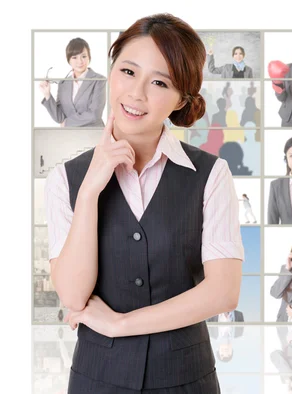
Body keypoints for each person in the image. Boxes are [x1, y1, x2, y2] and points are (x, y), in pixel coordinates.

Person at [44, 13, 244, 392]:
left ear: (181, 98)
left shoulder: (211, 175)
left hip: (186, 380)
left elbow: (223, 292)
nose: (136, 94)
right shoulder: (65, 180)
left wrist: (121, 324)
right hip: (96, 381)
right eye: (128, 72)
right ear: (111, 70)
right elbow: (72, 294)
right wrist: (89, 192)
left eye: (159, 82)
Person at [39, 37, 107, 127]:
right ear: (69, 60)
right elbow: (60, 118)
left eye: (84, 56)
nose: (80, 61)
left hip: (94, 134)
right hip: (71, 135)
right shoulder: (63, 84)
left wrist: (67, 123)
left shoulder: (99, 80)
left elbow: (94, 114)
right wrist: (47, 95)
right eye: (74, 57)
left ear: (89, 58)